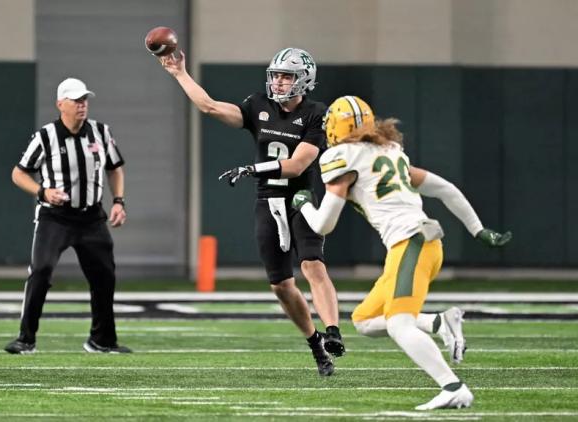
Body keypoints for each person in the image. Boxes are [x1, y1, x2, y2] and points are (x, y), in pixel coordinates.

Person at [292, 95, 511, 409]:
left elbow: (324, 225)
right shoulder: (389, 151)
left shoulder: (342, 156)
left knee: (398, 324)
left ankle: (453, 387)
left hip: (411, 243)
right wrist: (478, 229)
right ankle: (439, 323)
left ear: (338, 128)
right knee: (365, 319)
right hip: (422, 243)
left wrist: (305, 206)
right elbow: (446, 188)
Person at [159, 48, 342, 376]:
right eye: (276, 74)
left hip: (300, 198)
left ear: (304, 79)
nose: (279, 81)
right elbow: (210, 106)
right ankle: (315, 344)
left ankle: (333, 332)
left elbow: (298, 163)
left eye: (286, 76)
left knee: (312, 264)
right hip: (268, 202)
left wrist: (254, 168)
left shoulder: (317, 113)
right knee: (281, 286)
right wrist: (179, 73)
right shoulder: (258, 104)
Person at [4, 77, 131, 355]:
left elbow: (115, 167)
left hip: (91, 218)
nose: (82, 105)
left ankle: (102, 340)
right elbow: (18, 173)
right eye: (76, 100)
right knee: (41, 271)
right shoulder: (46, 136)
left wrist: (118, 201)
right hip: (55, 217)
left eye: (84, 99)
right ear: (61, 104)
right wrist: (42, 192)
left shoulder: (100, 132)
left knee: (104, 277)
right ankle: (26, 339)